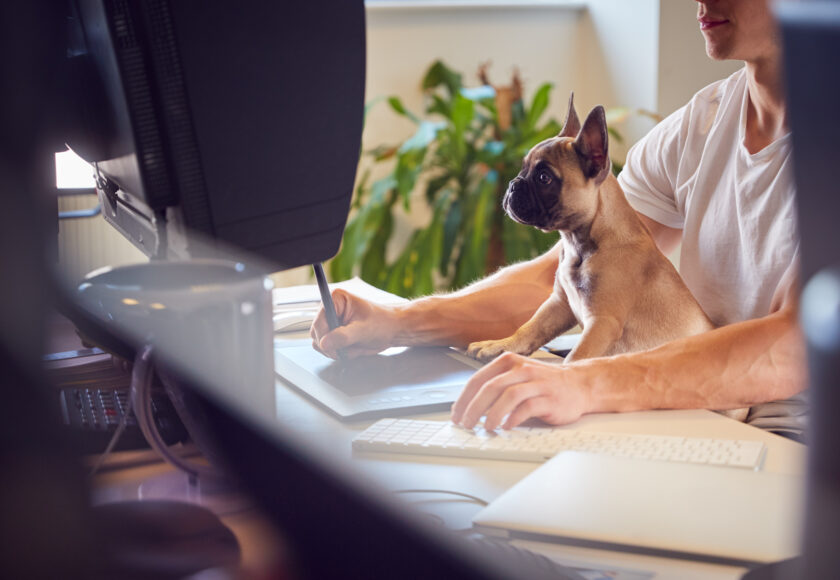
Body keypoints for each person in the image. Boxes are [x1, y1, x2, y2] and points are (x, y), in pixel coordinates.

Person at [311, 0, 808, 439]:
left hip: (795, 442)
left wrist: (584, 382)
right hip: (690, 412)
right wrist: (400, 323)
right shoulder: (701, 125)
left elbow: (792, 349)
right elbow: (564, 281)